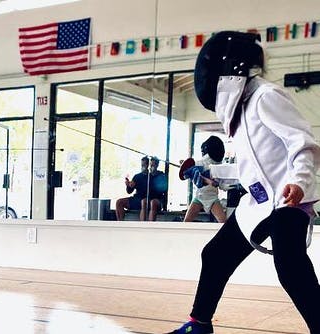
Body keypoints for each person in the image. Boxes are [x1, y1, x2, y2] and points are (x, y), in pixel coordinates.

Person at [168, 31, 320, 334]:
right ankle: (198, 326)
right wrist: (211, 175)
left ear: (231, 68)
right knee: (215, 255)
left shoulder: (266, 96)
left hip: (288, 198)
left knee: (291, 268)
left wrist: (300, 182)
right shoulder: (241, 110)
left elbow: (303, 144)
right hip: (259, 202)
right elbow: (251, 167)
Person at [182, 136, 228, 224]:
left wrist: (223, 186)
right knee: (186, 223)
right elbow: (185, 175)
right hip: (199, 197)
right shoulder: (198, 164)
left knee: (223, 223)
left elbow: (222, 184)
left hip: (212, 198)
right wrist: (187, 170)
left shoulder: (218, 167)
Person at [115, 156, 168, 221]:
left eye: (145, 165)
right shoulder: (137, 176)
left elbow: (162, 190)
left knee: (145, 201)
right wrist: (129, 186)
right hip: (137, 200)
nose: (143, 167)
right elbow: (129, 191)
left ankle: (145, 226)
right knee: (119, 202)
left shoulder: (159, 175)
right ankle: (120, 224)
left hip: (151, 200)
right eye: (142, 165)